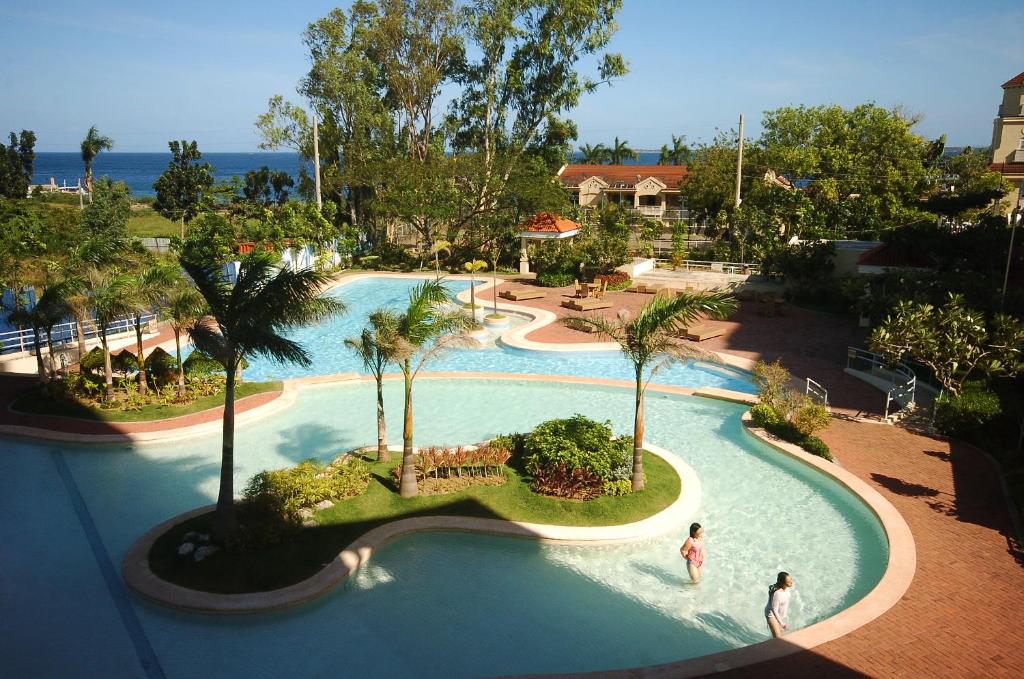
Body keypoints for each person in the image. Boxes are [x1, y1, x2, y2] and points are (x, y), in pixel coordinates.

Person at [764, 571, 794, 638]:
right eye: (789, 581)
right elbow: (774, 610)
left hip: (779, 613)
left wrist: (783, 615)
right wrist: (782, 624)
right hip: (771, 614)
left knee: (782, 634)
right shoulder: (777, 594)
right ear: (783, 583)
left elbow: (785, 602)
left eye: (791, 579)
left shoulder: (787, 589)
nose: (791, 582)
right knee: (778, 638)